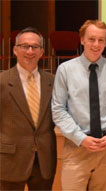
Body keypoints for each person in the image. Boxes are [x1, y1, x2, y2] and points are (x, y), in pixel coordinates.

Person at [52, 20, 106, 190]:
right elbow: (58, 110)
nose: (96, 44)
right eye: (91, 39)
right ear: (82, 40)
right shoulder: (65, 70)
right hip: (76, 147)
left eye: (101, 40)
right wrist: (81, 138)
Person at [0, 27, 56, 190]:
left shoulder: (53, 81)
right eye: (25, 46)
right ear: (15, 50)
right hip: (10, 160)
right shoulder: (2, 81)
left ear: (41, 52)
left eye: (35, 47)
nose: (30, 51)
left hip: (44, 160)